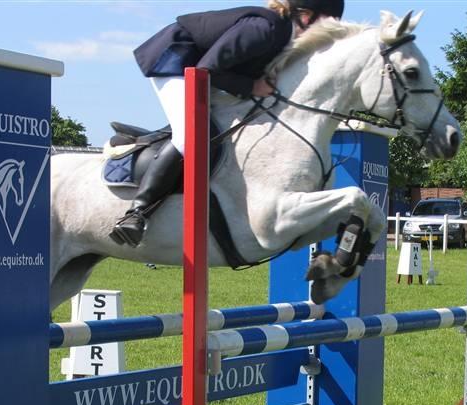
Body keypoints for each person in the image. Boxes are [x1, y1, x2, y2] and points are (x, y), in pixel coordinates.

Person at [109, 0, 345, 247]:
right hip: (176, 62)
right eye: (328, 23)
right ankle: (136, 214)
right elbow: (206, 69)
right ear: (306, 17)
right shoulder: (265, 29)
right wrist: (252, 86)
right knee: (191, 136)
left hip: (204, 70)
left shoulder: (284, 37)